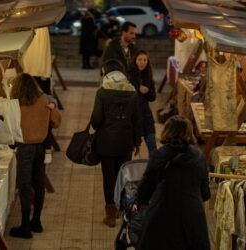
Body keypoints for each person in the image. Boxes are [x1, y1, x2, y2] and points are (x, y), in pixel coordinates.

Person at [133, 115, 210, 250]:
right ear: (189, 133)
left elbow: (145, 191)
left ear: (167, 131)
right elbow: (205, 193)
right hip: (192, 219)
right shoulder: (200, 157)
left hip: (162, 217)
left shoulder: (159, 155)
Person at [90, 59, 141, 228]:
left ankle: (110, 215)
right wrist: (137, 141)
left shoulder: (102, 92)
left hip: (106, 141)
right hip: (125, 141)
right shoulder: (132, 92)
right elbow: (136, 119)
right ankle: (123, 210)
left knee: (109, 177)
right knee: (123, 176)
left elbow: (96, 120)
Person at [9, 73, 61, 239]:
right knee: (39, 183)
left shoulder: (15, 104)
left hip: (24, 148)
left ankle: (25, 226)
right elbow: (57, 121)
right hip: (41, 147)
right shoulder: (44, 101)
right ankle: (36, 221)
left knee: (25, 185)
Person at [129, 50, 157, 155]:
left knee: (152, 146)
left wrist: (148, 91)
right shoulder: (129, 75)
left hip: (146, 116)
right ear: (135, 61)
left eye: (145, 60)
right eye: (140, 59)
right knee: (129, 149)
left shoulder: (148, 77)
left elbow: (153, 97)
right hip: (132, 116)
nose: (142, 62)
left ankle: (154, 168)